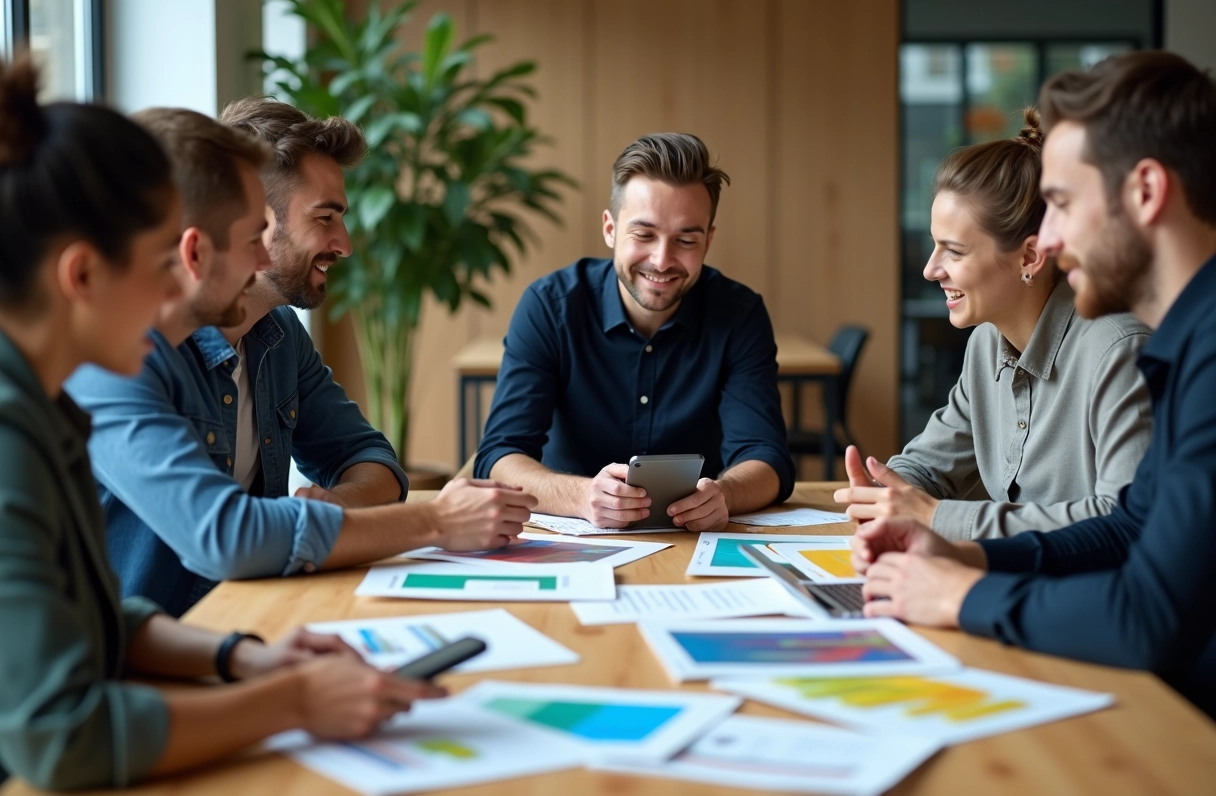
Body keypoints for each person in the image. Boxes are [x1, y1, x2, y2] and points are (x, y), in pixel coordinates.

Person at [0, 55, 442, 792]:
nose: (182, 291)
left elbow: (99, 617)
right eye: (161, 263)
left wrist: (239, 658)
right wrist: (292, 700)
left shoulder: (47, 406)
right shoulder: (22, 429)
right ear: (81, 276)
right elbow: (60, 738)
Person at [850, 51, 1216, 719]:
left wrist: (960, 594)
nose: (1045, 237)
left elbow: (1147, 614)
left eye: (1062, 204)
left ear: (1144, 192)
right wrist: (967, 556)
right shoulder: (1188, 342)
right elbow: (1130, 525)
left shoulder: (1195, 350)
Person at [67, 102, 535, 618]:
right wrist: (438, 521)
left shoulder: (279, 336)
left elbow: (372, 460)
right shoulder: (112, 361)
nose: (346, 245)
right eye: (325, 216)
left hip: (232, 630)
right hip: (153, 658)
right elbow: (225, 536)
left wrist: (334, 514)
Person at [834, 109, 1152, 540]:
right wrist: (882, 492)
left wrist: (934, 517)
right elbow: (931, 464)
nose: (930, 269)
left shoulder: (1118, 352)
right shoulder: (987, 342)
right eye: (934, 246)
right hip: (1013, 582)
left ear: (1029, 257)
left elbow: (1125, 522)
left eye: (954, 252)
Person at [475, 133, 795, 531]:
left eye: (686, 239)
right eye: (644, 234)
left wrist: (725, 496)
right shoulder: (549, 306)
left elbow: (766, 457)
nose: (662, 260)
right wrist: (581, 496)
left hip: (695, 538)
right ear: (610, 229)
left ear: (708, 240)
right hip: (573, 539)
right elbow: (500, 455)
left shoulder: (740, 315)